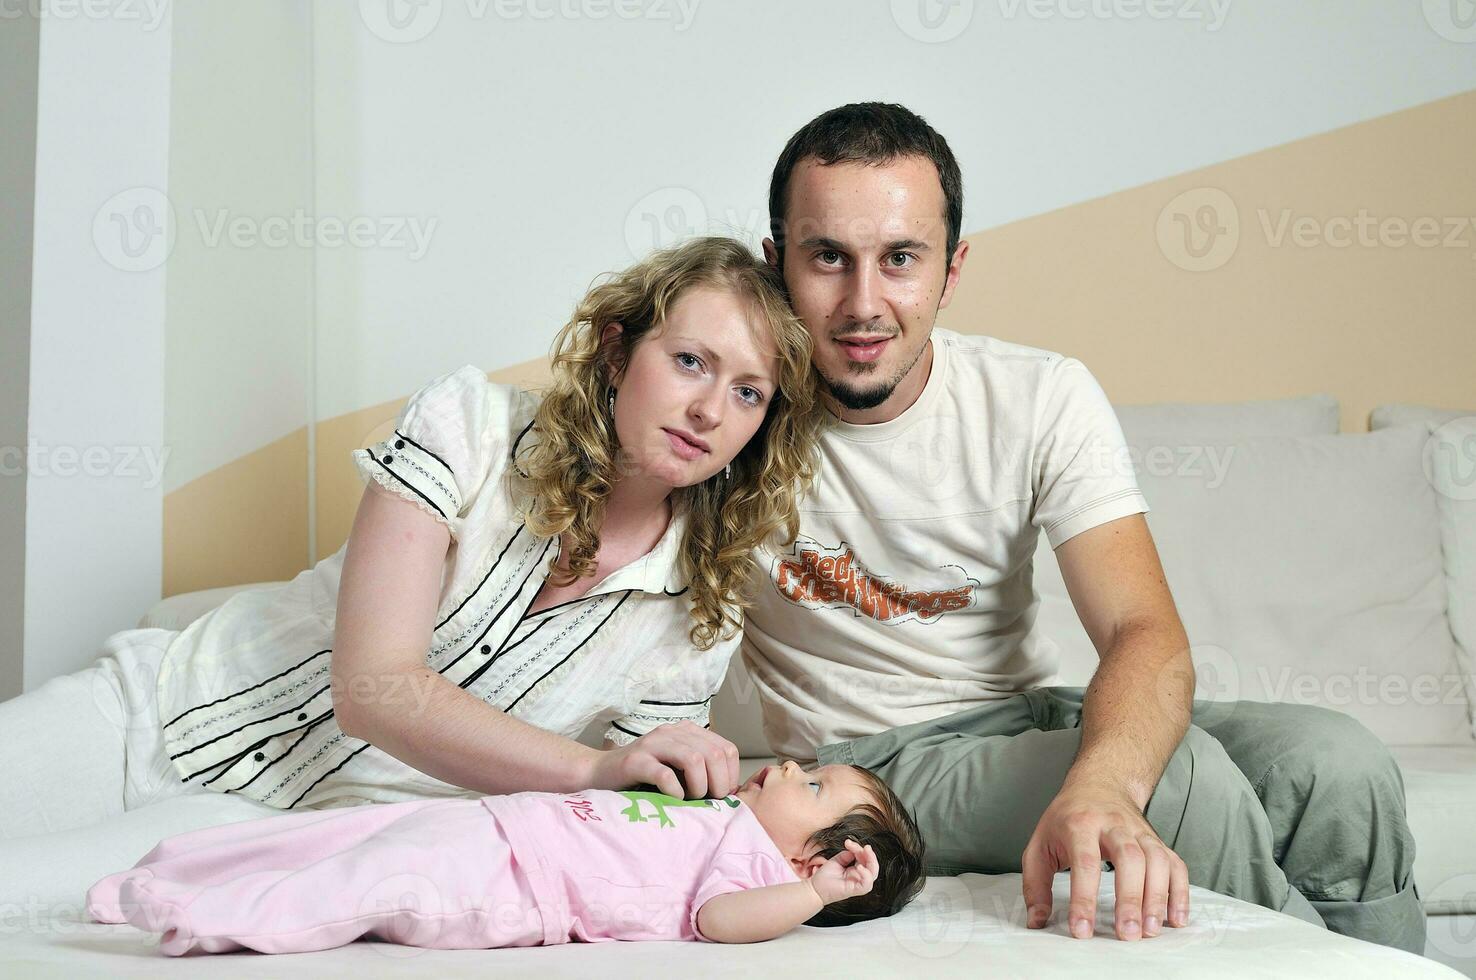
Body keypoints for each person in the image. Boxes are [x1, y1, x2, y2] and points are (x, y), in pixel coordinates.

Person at [739, 103, 1424, 953]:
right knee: (1184, 784)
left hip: (1018, 714)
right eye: (828, 258)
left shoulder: (1038, 395)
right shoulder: (734, 406)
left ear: (951, 271)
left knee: (1337, 763)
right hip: (863, 758)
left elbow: (1144, 632)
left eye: (901, 259)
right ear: (776, 266)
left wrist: (1100, 782)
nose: (863, 303)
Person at [0, 236, 823, 858]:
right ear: (616, 350)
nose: (711, 410)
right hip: (153, 718)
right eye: (689, 362)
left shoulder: (702, 615)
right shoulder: (467, 430)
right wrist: (591, 769)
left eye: (748, 392)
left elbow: (625, 818)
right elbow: (375, 689)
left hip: (283, 846)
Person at [84, 761, 925, 954]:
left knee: (364, 882)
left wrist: (813, 899)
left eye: (811, 785)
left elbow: (718, 921)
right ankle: (162, 874)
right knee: (336, 835)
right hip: (499, 823)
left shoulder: (757, 871)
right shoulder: (719, 811)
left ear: (816, 856)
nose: (787, 768)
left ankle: (205, 919)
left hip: (514, 882)